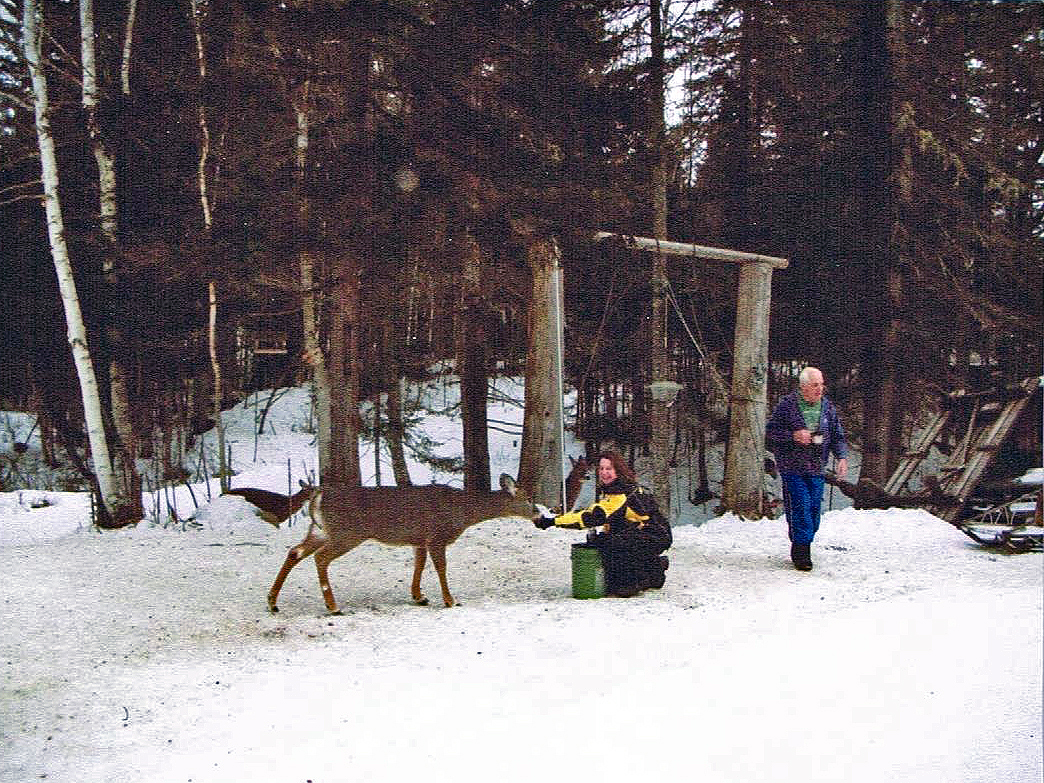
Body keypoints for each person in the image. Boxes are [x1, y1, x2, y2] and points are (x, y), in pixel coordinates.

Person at [532, 451, 672, 597]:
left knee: (613, 549)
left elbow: (589, 518)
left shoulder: (620, 494)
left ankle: (638, 580)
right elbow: (612, 519)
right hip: (649, 534)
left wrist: (552, 521)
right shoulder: (617, 488)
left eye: (609, 469)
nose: (604, 473)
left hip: (656, 536)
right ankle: (655, 568)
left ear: (618, 470)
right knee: (606, 540)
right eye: (601, 469)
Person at [765, 367, 849, 571]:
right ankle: (802, 553)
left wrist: (842, 457)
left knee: (813, 511)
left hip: (817, 467)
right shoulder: (787, 406)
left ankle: (801, 543)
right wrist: (793, 436)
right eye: (815, 385)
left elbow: (837, 435)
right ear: (803, 387)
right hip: (792, 466)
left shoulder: (827, 408)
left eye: (821, 385)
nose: (820, 389)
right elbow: (770, 435)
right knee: (800, 506)